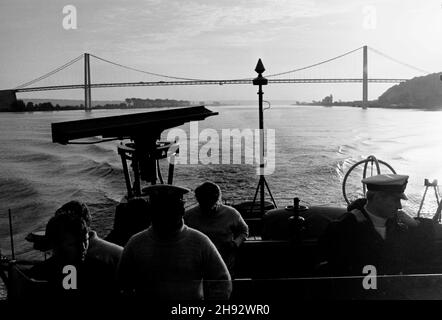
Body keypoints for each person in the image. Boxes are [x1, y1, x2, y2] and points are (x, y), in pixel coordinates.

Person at [117, 184, 232, 300]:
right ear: (150, 211)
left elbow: (221, 282)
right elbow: (122, 285)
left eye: (170, 209)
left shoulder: (200, 242)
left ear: (181, 210)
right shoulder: (135, 244)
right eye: (160, 209)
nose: (165, 215)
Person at [320, 174, 436, 276]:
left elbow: (423, 253)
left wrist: (416, 224)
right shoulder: (344, 228)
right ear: (378, 198)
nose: (399, 206)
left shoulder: (397, 227)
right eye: (395, 200)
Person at [28, 201, 123, 299]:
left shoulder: (101, 270)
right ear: (57, 245)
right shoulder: (100, 267)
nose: (82, 248)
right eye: (73, 244)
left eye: (84, 241)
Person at [184, 181, 249, 274]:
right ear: (198, 200)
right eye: (204, 203)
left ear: (217, 199)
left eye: (211, 203)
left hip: (225, 266)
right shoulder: (189, 216)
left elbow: (244, 230)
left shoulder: (231, 213)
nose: (208, 207)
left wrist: (236, 243)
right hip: (198, 268)